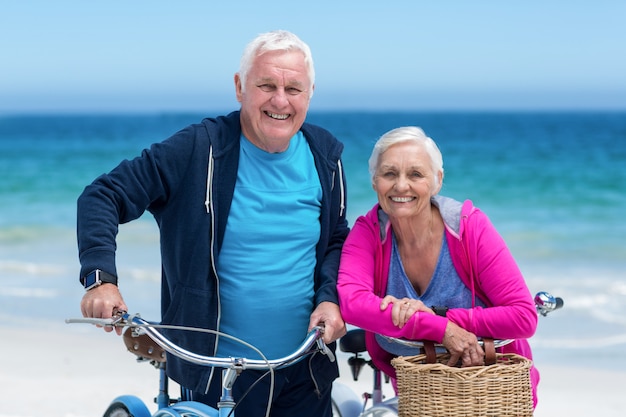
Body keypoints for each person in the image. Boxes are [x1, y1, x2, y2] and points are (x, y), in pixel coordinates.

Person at [77, 30, 349, 417]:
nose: (280, 100)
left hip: (305, 370)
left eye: (293, 88)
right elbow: (103, 195)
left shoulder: (325, 154)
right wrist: (101, 279)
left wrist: (330, 297)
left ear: (310, 94)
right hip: (214, 376)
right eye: (266, 85)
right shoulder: (198, 149)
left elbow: (336, 238)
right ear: (240, 87)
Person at [337, 126, 540, 407]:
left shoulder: (469, 228)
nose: (401, 186)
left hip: (490, 392)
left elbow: (523, 317)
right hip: (418, 396)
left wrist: (441, 317)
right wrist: (438, 329)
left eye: (416, 174)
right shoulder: (367, 232)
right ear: (374, 181)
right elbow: (352, 304)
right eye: (389, 174)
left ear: (437, 181)